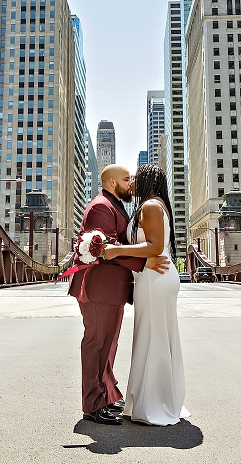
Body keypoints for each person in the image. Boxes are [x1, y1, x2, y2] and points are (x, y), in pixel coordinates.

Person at [69, 165, 169, 425]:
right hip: (99, 287)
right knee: (97, 344)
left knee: (108, 344)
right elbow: (106, 247)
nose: (131, 183)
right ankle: (93, 405)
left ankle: (106, 396)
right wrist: (144, 262)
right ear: (112, 182)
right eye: (126, 179)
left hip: (111, 288)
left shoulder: (114, 204)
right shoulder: (101, 206)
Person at [103, 164, 190, 426]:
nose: (131, 183)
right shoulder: (154, 204)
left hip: (155, 278)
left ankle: (155, 404)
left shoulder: (151, 206)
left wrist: (116, 251)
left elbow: (154, 246)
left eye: (135, 178)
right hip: (152, 277)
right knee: (153, 337)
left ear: (146, 180)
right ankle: (154, 399)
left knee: (154, 338)